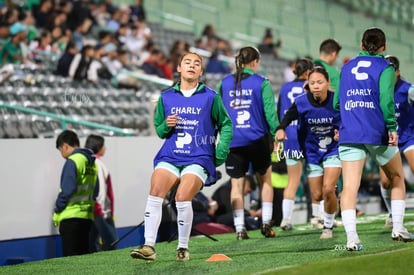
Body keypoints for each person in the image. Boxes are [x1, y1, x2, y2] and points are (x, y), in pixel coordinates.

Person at [129, 52, 233, 262]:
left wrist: (219, 155)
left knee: (182, 196)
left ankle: (183, 247)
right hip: (170, 155)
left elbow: (226, 124)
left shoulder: (211, 97)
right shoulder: (166, 96)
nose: (192, 66)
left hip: (199, 157)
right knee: (156, 191)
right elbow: (160, 130)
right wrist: (166, 125)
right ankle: (149, 246)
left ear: (201, 71)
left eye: (197, 63)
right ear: (179, 68)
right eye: (187, 62)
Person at [334, 27, 414, 251]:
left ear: (361, 45)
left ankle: (352, 239)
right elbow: (386, 100)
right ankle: (398, 227)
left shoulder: (346, 67)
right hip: (377, 132)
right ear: (384, 47)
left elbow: (336, 104)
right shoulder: (386, 68)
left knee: (349, 187)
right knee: (397, 177)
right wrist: (391, 126)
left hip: (350, 132)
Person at [218, 46, 279, 240]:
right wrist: (277, 132)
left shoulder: (224, 83)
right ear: (255, 62)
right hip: (257, 139)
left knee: (236, 186)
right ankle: (267, 223)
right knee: (265, 181)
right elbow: (270, 114)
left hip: (233, 141)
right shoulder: (261, 82)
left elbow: (218, 114)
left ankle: (239, 229)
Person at [276, 66, 341, 239]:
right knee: (317, 194)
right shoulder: (301, 102)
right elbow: (287, 117)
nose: (316, 86)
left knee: (327, 189)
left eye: (320, 82)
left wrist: (341, 131)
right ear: (308, 85)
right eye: (312, 83)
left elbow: (347, 120)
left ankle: (327, 226)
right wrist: (281, 129)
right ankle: (329, 202)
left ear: (327, 82)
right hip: (311, 152)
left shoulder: (337, 101)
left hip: (332, 150)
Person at [277, 58, 314, 231]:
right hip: (307, 135)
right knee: (316, 176)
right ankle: (318, 216)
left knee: (292, 181)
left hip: (288, 136)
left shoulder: (284, 88)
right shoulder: (310, 86)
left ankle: (286, 219)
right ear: (308, 72)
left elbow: (280, 113)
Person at [378, 55, 414, 228]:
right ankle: (392, 213)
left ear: (398, 72)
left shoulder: (409, 90)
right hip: (387, 140)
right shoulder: (376, 91)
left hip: (408, 137)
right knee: (385, 181)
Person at [53, 130, 99, 257]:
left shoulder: (73, 161)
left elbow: (67, 189)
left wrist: (57, 209)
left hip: (70, 218)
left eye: (60, 149)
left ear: (65, 145)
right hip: (87, 217)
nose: (61, 153)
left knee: (71, 261)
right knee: (83, 261)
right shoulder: (91, 162)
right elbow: (96, 190)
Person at [84, 134, 117, 252]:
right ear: (98, 146)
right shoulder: (97, 164)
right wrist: (104, 212)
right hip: (101, 212)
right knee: (111, 244)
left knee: (91, 244)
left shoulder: (89, 162)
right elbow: (101, 191)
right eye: (103, 145)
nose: (105, 148)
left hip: (94, 211)